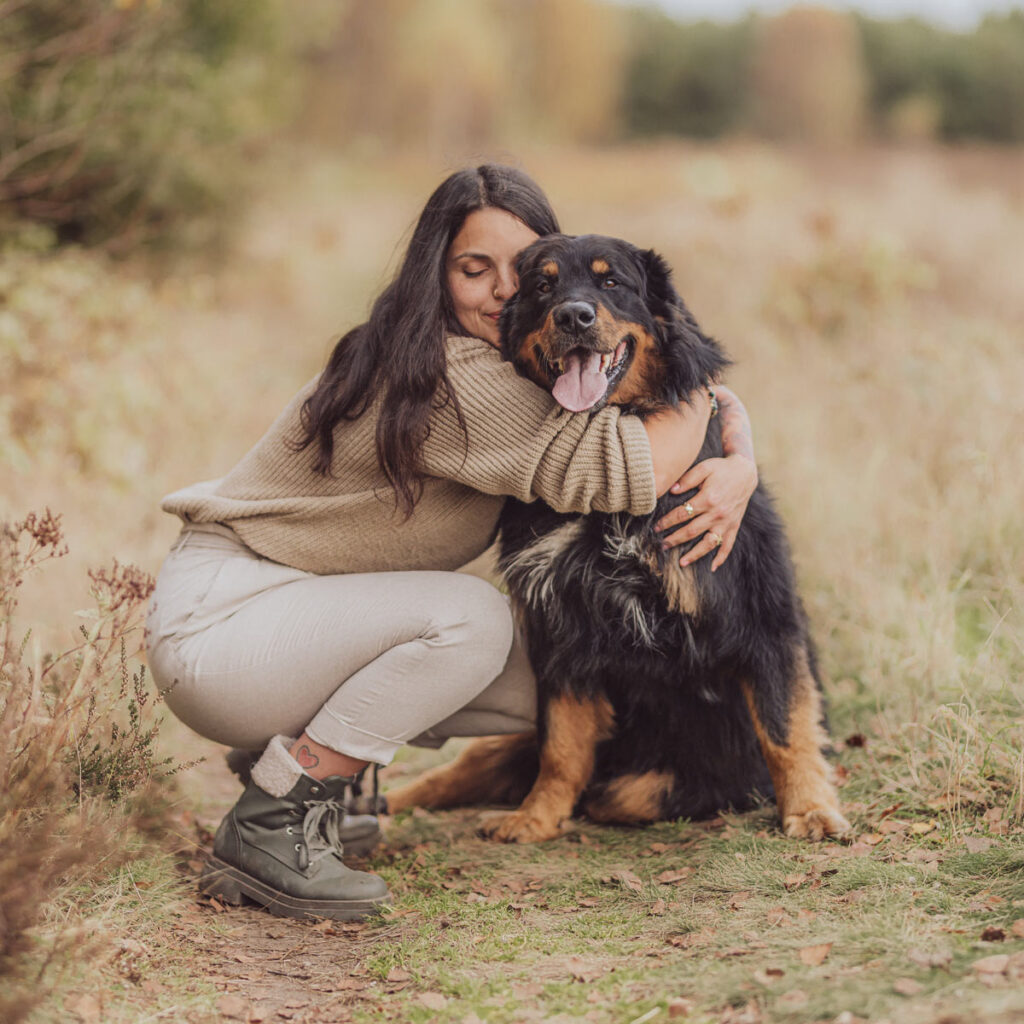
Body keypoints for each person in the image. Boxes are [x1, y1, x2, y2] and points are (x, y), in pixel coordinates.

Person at [146, 164, 758, 922]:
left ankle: (306, 768)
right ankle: (272, 823)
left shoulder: (533, 364)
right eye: (475, 269)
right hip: (226, 628)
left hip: (293, 623)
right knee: (471, 620)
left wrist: (737, 457)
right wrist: (732, 449)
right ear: (434, 276)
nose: (505, 291)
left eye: (527, 270)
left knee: (560, 669)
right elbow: (625, 468)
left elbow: (650, 395)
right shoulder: (452, 372)